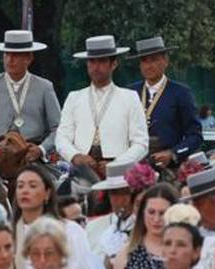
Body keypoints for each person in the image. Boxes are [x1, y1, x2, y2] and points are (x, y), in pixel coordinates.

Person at [57, 35, 150, 177]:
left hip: (117, 169)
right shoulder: (74, 97)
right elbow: (62, 137)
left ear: (114, 64)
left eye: (102, 61)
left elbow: (141, 143)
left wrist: (118, 164)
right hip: (82, 168)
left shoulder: (129, 97)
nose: (96, 67)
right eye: (92, 62)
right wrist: (75, 156)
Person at [0, 29, 62, 160]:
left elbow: (59, 128)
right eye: (6, 54)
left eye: (16, 55)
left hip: (30, 152)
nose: (10, 60)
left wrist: (41, 149)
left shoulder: (44, 87)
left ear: (29, 58)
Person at [127, 36, 202, 169]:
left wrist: (173, 153)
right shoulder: (129, 93)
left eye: (154, 60)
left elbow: (195, 136)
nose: (149, 65)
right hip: (133, 167)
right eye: (144, 61)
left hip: (168, 169)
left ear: (165, 61)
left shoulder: (181, 93)